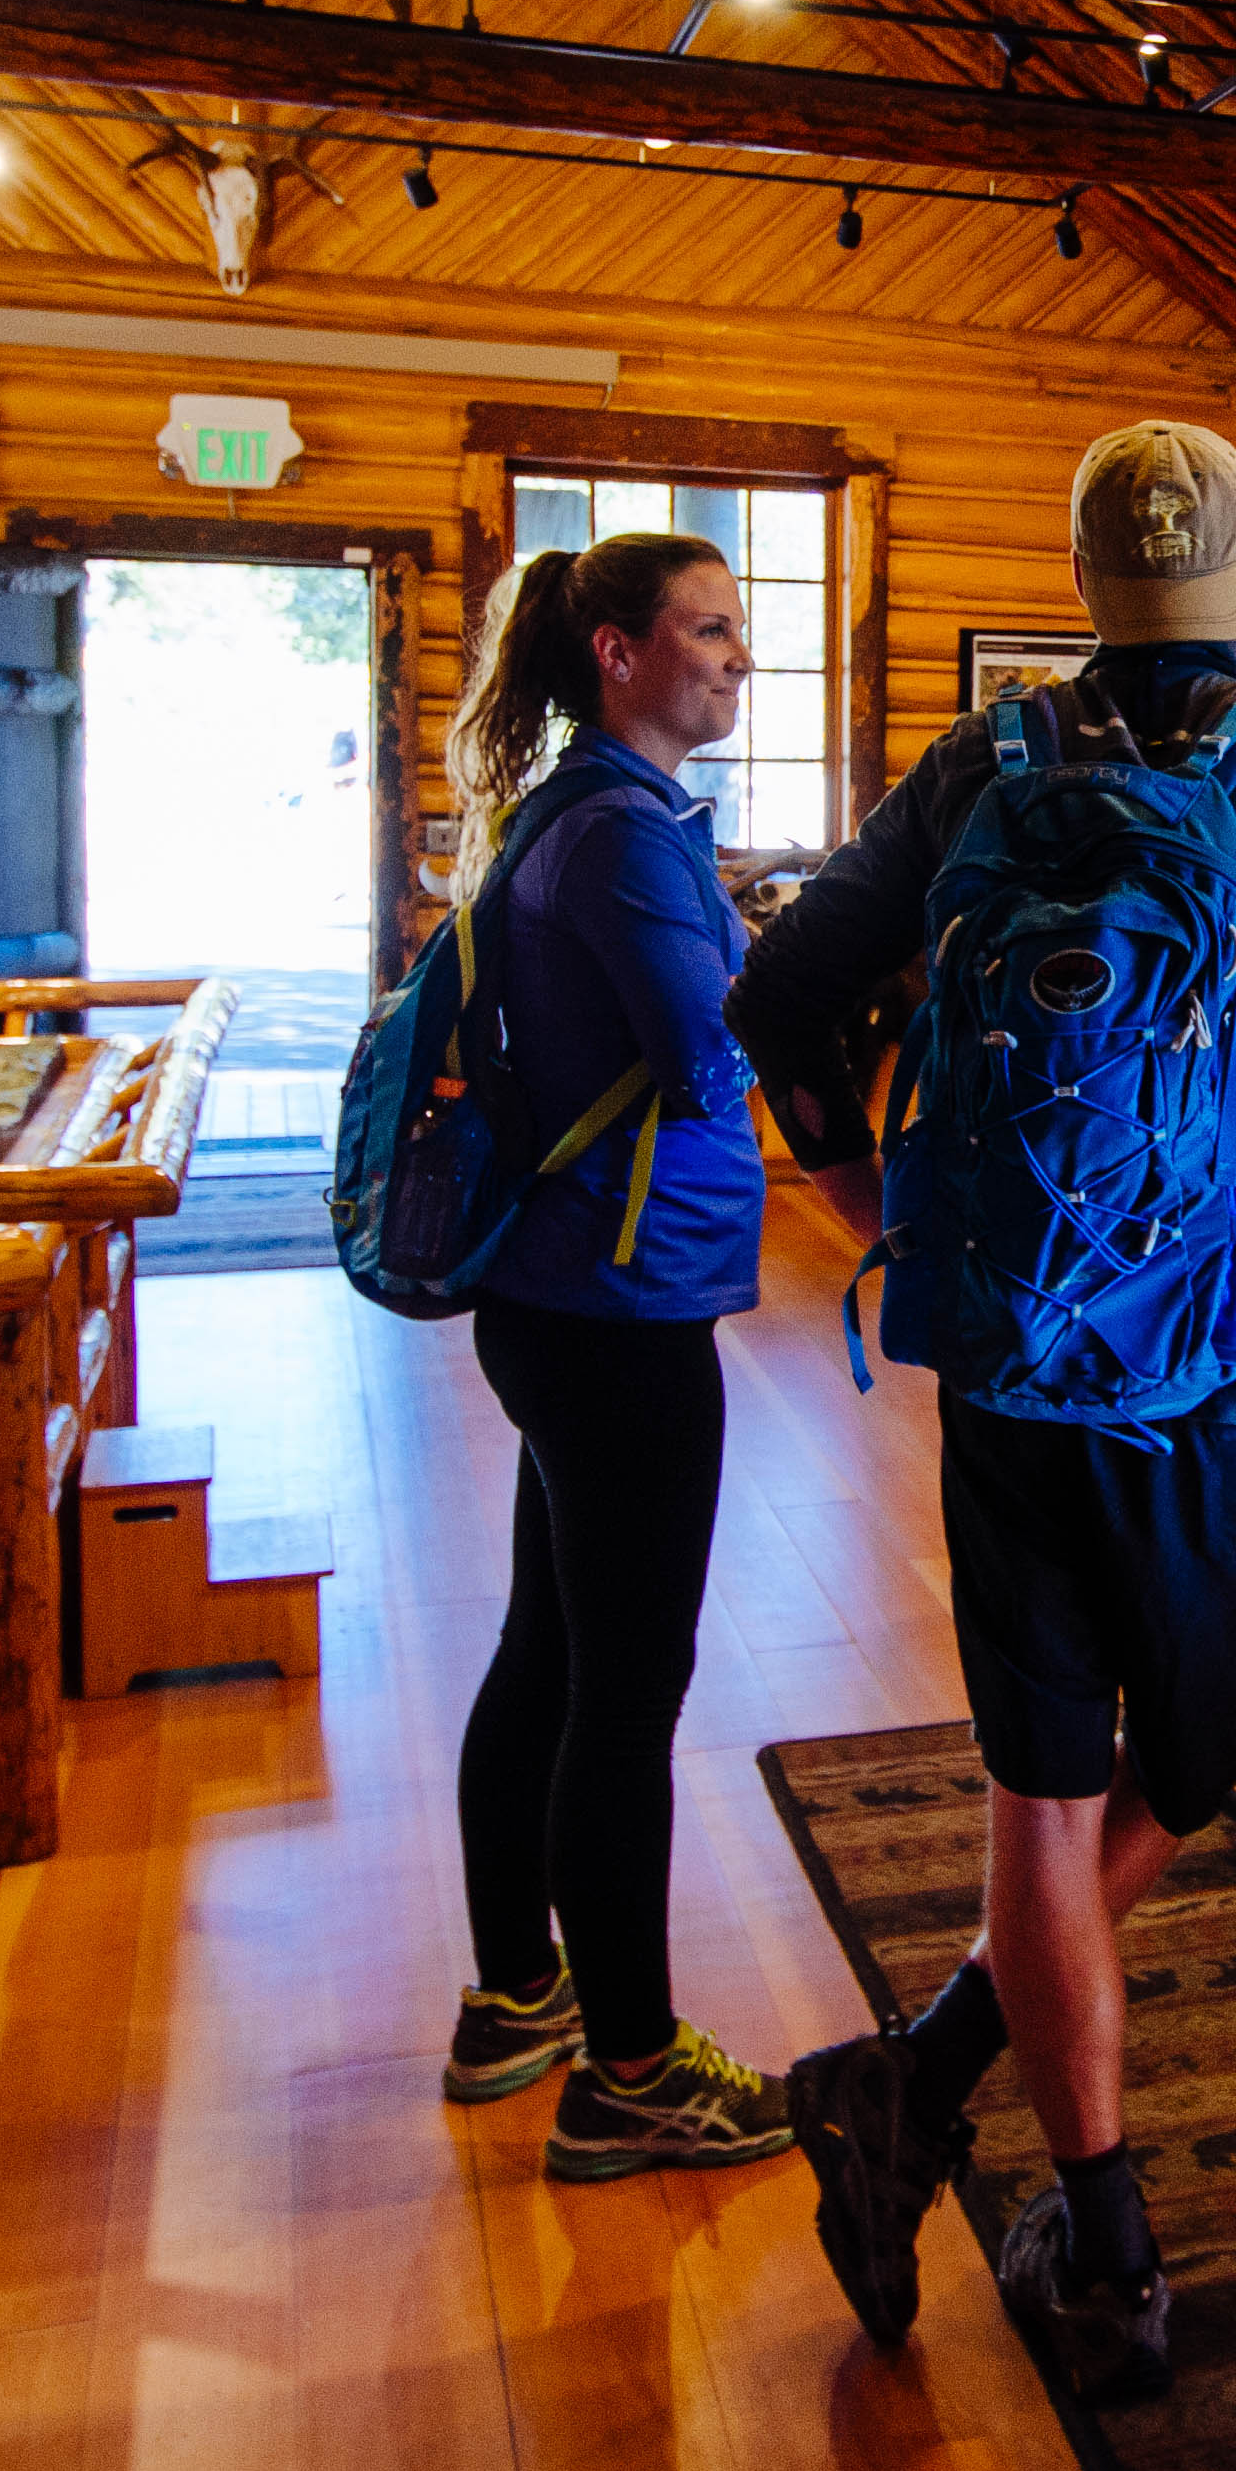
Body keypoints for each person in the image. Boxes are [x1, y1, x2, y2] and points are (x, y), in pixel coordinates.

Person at [728, 419, 1236, 2402]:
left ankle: (1066, 2218)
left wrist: (867, 1196)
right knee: (1186, 1776)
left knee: (1037, 1792)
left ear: (1090, 579)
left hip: (1022, 1371)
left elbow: (778, 999)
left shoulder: (984, 765)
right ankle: (1009, 2164)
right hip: (1235, 1382)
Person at [430, 530, 797, 2185]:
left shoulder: (575, 811)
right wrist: (804, 977)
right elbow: (714, 1061)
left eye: (738, 630)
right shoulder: (628, 840)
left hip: (562, 1290)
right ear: (617, 652)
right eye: (709, 630)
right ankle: (631, 2069)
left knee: (549, 1649)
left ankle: (519, 1993)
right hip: (624, 1310)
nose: (736, 655)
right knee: (620, 1690)